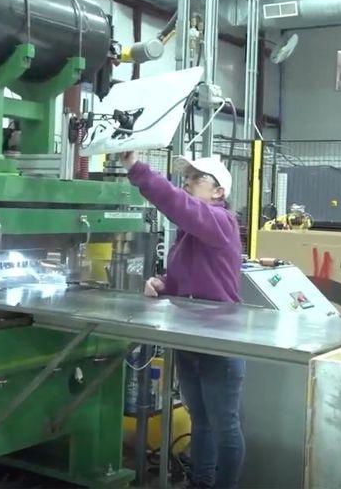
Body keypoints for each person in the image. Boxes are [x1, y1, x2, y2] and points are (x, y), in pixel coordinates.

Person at [121, 151, 245, 489]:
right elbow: (181, 279)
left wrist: (137, 169)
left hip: (219, 341)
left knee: (225, 426)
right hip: (191, 337)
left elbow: (178, 204)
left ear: (218, 192)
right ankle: (201, 484)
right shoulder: (190, 235)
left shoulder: (220, 222)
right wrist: (162, 284)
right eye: (186, 178)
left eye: (195, 179)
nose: (186, 184)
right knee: (201, 421)